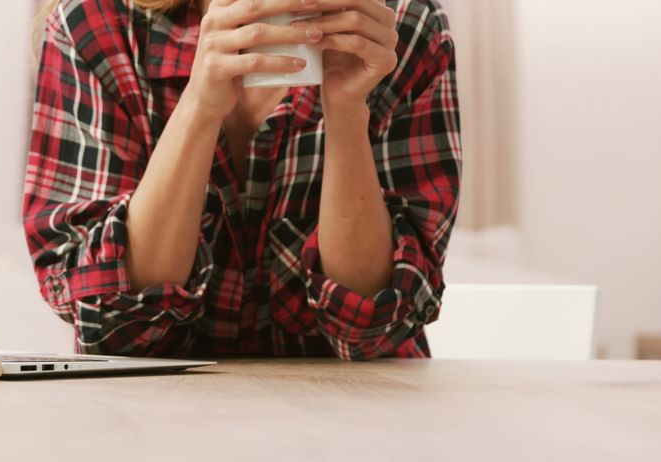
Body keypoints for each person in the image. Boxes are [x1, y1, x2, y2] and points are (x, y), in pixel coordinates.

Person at [24, 0, 460, 360]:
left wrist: (346, 110)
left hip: (362, 430)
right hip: (152, 426)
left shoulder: (399, 27)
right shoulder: (97, 24)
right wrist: (199, 105)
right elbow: (116, 325)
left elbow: (374, 329)